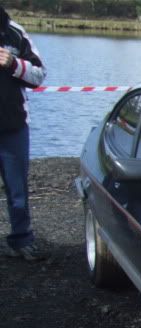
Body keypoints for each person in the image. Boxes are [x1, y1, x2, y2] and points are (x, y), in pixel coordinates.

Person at [0, 4, 47, 261]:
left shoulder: (15, 34)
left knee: (17, 191)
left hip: (13, 129)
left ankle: (21, 239)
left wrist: (13, 63)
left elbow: (40, 75)